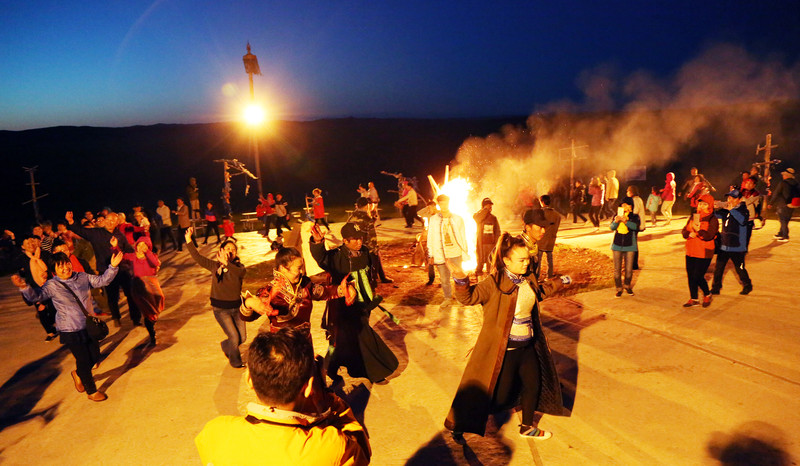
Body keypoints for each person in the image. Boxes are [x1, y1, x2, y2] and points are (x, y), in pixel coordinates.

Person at [444, 233, 571, 442]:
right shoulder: (493, 284)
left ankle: (527, 427)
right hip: (504, 350)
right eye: (521, 260)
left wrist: (561, 281)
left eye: (527, 259)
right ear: (506, 260)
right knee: (498, 397)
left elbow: (539, 292)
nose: (526, 264)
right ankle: (461, 423)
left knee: (533, 384)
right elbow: (468, 298)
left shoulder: (527, 278)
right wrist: (460, 280)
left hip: (527, 346)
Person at [195, 328, 371, 465]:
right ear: (309, 386)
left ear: (249, 379)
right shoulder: (331, 446)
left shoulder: (215, 433)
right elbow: (362, 451)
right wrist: (327, 399)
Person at [12, 250, 122, 402]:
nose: (65, 268)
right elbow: (36, 296)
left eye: (66, 264)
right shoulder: (52, 285)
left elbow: (102, 281)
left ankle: (78, 374)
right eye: (60, 266)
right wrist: (24, 287)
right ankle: (91, 391)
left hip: (89, 326)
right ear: (54, 271)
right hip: (70, 329)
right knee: (83, 360)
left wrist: (113, 267)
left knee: (95, 356)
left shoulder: (82, 277)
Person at [309, 222, 399, 384]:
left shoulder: (365, 252)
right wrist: (317, 243)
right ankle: (377, 371)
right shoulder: (336, 256)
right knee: (363, 335)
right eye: (354, 239)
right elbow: (321, 258)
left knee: (344, 338)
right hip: (344, 305)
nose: (359, 242)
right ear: (345, 241)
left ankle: (330, 366)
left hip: (365, 303)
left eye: (360, 238)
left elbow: (370, 274)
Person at [241, 247, 354, 336]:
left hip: (305, 344)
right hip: (283, 349)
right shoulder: (270, 291)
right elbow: (249, 317)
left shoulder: (305, 284)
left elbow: (325, 292)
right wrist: (249, 303)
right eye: (298, 268)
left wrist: (346, 289)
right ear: (283, 268)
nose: (301, 271)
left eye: (302, 267)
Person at [66, 210, 141, 327]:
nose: (110, 223)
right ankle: (116, 317)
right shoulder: (96, 233)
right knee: (112, 296)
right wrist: (71, 222)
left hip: (122, 270)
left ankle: (136, 318)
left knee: (131, 295)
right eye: (108, 220)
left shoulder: (120, 235)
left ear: (117, 223)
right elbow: (81, 231)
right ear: (105, 221)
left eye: (113, 221)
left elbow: (129, 250)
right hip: (105, 270)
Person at [185, 227, 247, 368]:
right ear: (221, 251)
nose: (230, 250)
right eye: (227, 248)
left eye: (233, 249)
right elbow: (198, 257)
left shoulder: (239, 268)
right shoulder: (214, 266)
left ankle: (226, 346)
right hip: (221, 309)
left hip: (237, 308)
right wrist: (189, 240)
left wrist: (227, 264)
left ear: (236, 253)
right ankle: (236, 362)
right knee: (234, 337)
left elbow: (238, 273)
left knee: (242, 338)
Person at [116, 236, 163, 346]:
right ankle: (152, 334)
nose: (141, 247)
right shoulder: (131, 257)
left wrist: (147, 252)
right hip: (139, 286)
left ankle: (151, 324)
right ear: (136, 246)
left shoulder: (152, 256)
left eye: (144, 245)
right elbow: (120, 257)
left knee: (157, 308)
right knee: (148, 312)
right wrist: (115, 247)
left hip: (152, 285)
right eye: (139, 244)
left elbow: (155, 263)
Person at [428, 194, 469, 306]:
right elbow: (430, 237)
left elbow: (463, 237)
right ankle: (447, 298)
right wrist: (431, 254)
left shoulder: (457, 219)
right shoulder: (433, 220)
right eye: (441, 203)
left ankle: (461, 298)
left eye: (445, 203)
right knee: (444, 279)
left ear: (449, 203)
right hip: (441, 254)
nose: (444, 205)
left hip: (455, 253)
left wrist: (465, 252)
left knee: (458, 277)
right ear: (439, 204)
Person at [711, 189, 753, 296]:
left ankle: (747, 285)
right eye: (729, 197)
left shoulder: (744, 210)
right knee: (719, 268)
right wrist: (710, 206)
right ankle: (716, 288)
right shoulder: (726, 211)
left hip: (737, 246)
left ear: (739, 199)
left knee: (740, 268)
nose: (730, 199)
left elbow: (743, 220)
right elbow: (715, 214)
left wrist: (732, 210)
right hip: (724, 245)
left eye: (733, 198)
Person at [681, 194, 718, 307]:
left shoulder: (712, 219)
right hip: (691, 250)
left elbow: (709, 235)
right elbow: (684, 231)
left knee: (697, 276)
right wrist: (688, 233)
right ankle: (694, 298)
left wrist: (698, 231)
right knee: (691, 275)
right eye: (700, 203)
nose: (701, 206)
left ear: (710, 206)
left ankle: (707, 294)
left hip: (704, 252)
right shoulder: (694, 217)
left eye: (704, 204)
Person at [349, 197, 393, 283]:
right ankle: (374, 280)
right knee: (376, 253)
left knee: (377, 254)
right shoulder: (366, 218)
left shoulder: (351, 217)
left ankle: (382, 277)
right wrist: (374, 249)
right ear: (366, 206)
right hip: (365, 246)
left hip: (354, 245)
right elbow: (372, 237)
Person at [609, 197, 640, 297]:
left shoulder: (634, 217)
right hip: (617, 245)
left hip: (630, 246)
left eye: (625, 205)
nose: (623, 207)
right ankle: (618, 288)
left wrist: (626, 221)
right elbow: (611, 228)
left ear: (630, 206)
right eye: (622, 205)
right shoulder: (616, 215)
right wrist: (616, 221)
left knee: (628, 270)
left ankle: (627, 286)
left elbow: (635, 227)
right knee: (617, 270)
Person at [472, 197, 501, 275]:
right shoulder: (479, 216)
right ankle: (479, 274)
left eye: (490, 205)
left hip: (491, 244)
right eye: (487, 205)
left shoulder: (493, 218)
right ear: (483, 207)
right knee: (480, 261)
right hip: (482, 244)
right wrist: (485, 210)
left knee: (490, 262)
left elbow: (497, 231)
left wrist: (497, 243)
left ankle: (489, 276)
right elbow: (476, 218)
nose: (490, 207)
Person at [769, 167, 798, 242]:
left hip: (783, 204)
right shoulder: (796, 183)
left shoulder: (783, 183)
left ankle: (785, 236)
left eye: (784, 175)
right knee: (786, 219)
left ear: (786, 175)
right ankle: (780, 233)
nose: (783, 176)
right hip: (793, 204)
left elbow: (776, 193)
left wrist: (771, 203)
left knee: (783, 220)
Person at [537, 195, 561, 279]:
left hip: (540, 240)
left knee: (538, 260)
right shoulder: (557, 215)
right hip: (551, 239)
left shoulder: (539, 213)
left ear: (542, 202)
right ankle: (550, 276)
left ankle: (537, 277)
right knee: (549, 259)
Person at [627, 186, 646, 270]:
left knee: (633, 244)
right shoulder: (638, 199)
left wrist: (626, 210)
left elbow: (636, 211)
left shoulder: (635, 200)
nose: (627, 192)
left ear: (631, 192)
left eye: (628, 191)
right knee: (633, 243)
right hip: (636, 222)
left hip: (633, 222)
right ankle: (633, 264)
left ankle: (634, 264)